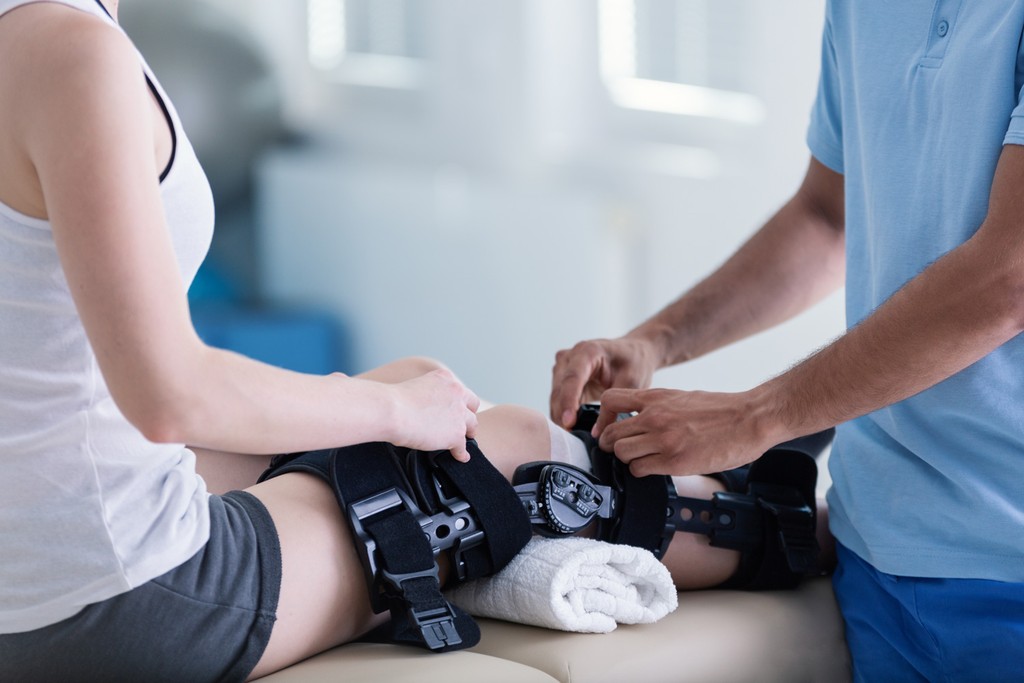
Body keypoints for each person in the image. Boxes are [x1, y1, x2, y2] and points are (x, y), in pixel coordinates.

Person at [0, 2, 829, 681]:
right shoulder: (76, 57)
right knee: (492, 451)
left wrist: (390, 399)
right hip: (119, 599)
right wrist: (395, 411)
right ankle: (785, 524)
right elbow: (169, 395)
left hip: (26, 574)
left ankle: (720, 481)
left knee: (412, 383)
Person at [551, 3, 1024, 681]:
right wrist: (657, 341)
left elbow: (1010, 278)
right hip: (879, 549)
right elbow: (826, 216)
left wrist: (756, 417)